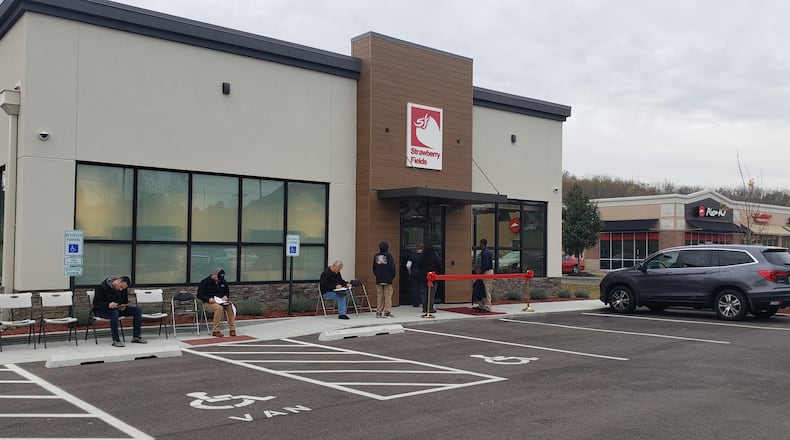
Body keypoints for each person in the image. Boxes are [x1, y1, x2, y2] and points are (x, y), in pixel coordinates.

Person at [92, 275, 147, 347]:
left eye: (123, 288)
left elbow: (124, 301)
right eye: (121, 287)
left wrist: (123, 306)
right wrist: (108, 305)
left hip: (117, 309)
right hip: (102, 310)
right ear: (118, 281)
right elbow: (96, 303)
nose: (121, 289)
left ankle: (136, 336)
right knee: (114, 313)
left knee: (137, 310)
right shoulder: (101, 287)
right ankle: (116, 340)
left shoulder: (123, 289)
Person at [197, 268, 237, 337]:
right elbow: (199, 294)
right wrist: (208, 299)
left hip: (221, 301)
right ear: (214, 275)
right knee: (219, 308)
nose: (219, 280)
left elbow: (227, 292)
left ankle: (232, 329)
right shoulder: (205, 282)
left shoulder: (223, 282)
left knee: (230, 306)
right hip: (209, 303)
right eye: (218, 278)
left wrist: (226, 296)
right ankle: (216, 330)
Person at [372, 241, 396, 318]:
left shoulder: (376, 256)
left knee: (379, 296)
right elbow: (392, 267)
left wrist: (377, 275)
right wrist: (392, 276)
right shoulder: (389, 256)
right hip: (388, 279)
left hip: (379, 278)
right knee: (388, 296)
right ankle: (387, 311)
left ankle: (378, 312)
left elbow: (374, 268)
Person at [418, 243, 442, 314]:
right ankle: (430, 308)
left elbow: (419, 266)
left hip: (423, 277)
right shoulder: (435, 257)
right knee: (431, 294)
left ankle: (424, 308)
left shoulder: (422, 257)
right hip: (433, 277)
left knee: (423, 293)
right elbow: (440, 266)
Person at [475, 238, 494, 312]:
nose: (479, 245)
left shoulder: (484, 252)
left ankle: (487, 306)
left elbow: (486, 264)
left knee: (487, 289)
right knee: (483, 288)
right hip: (487, 271)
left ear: (482, 244)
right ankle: (482, 305)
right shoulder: (487, 251)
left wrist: (481, 271)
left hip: (487, 272)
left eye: (480, 243)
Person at [406, 241, 424, 307]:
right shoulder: (424, 255)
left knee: (415, 288)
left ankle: (415, 303)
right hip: (422, 273)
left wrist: (410, 271)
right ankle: (423, 301)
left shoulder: (412, 255)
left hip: (414, 272)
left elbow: (408, 265)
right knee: (422, 288)